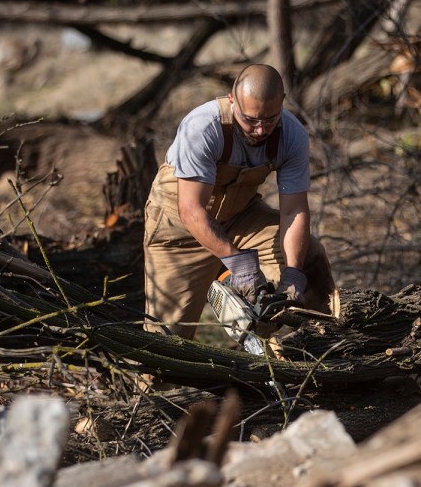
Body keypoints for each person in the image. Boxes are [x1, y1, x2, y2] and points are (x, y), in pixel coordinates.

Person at [143, 64, 334, 341]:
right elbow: (191, 211)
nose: (260, 130)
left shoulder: (292, 135)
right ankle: (150, 381)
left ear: (281, 104)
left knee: (310, 259)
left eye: (270, 120)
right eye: (250, 120)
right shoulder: (203, 127)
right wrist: (241, 266)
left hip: (240, 218)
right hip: (179, 230)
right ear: (232, 100)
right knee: (164, 342)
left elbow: (293, 210)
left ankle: (322, 352)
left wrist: (293, 273)